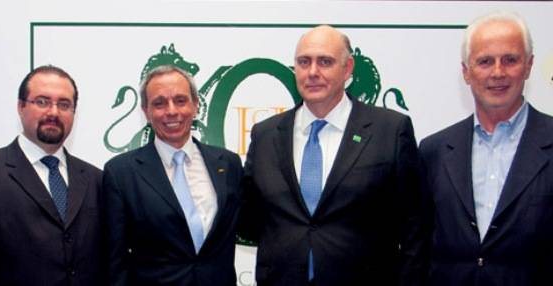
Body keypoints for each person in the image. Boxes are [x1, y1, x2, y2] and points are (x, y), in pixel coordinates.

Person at [238, 25, 427, 285]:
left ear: (347, 68)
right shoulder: (266, 134)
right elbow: (251, 218)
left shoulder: (390, 130)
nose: (312, 72)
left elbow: (414, 226)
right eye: (304, 62)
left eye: (325, 62)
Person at [419, 11, 553, 285]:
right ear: (466, 72)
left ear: (528, 66)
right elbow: (420, 245)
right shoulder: (434, 150)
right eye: (485, 61)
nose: (498, 72)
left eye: (510, 60)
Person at [0, 65, 105, 286]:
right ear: (20, 106)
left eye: (64, 104)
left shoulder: (96, 180)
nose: (53, 112)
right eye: (41, 102)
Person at [103, 65, 243, 285]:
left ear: (195, 105)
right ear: (146, 112)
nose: (171, 111)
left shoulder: (229, 164)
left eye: (180, 100)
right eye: (159, 103)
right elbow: (115, 259)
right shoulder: (121, 173)